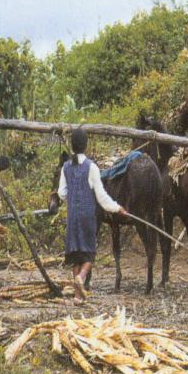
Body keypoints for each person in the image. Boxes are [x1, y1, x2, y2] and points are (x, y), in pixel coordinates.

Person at [58, 128, 127, 304]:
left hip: (72, 217)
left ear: (72, 146)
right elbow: (102, 197)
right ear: (86, 146)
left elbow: (61, 193)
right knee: (89, 255)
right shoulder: (92, 167)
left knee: (76, 256)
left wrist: (72, 195)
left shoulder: (66, 167)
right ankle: (81, 277)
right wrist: (118, 208)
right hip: (87, 216)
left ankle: (77, 296)